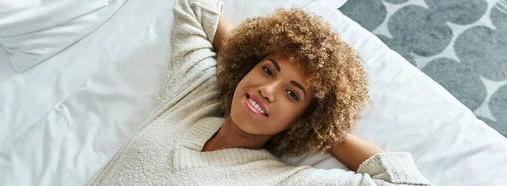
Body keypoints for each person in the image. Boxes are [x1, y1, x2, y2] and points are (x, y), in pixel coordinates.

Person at [87, 0, 431, 185]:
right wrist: (243, 53)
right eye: (267, 70)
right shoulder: (191, 95)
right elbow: (195, 8)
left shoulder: (278, 180)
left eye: (292, 94)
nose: (267, 90)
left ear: (303, 119)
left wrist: (322, 132)